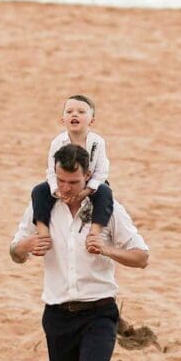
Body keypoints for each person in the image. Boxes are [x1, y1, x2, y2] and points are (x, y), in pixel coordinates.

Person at [10, 142, 150, 361]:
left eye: (72, 182)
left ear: (87, 176)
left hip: (99, 312)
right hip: (57, 314)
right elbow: (14, 251)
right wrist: (27, 248)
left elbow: (142, 256)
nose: (65, 189)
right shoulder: (42, 206)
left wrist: (109, 249)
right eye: (60, 181)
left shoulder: (108, 209)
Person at [28, 93, 114, 255]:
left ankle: (94, 233)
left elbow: (102, 171)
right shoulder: (57, 142)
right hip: (62, 183)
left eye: (81, 112)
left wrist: (87, 191)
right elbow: (51, 171)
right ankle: (43, 233)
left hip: (91, 184)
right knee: (38, 191)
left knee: (105, 192)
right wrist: (57, 191)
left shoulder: (98, 142)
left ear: (92, 121)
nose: (74, 114)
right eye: (69, 112)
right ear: (62, 120)